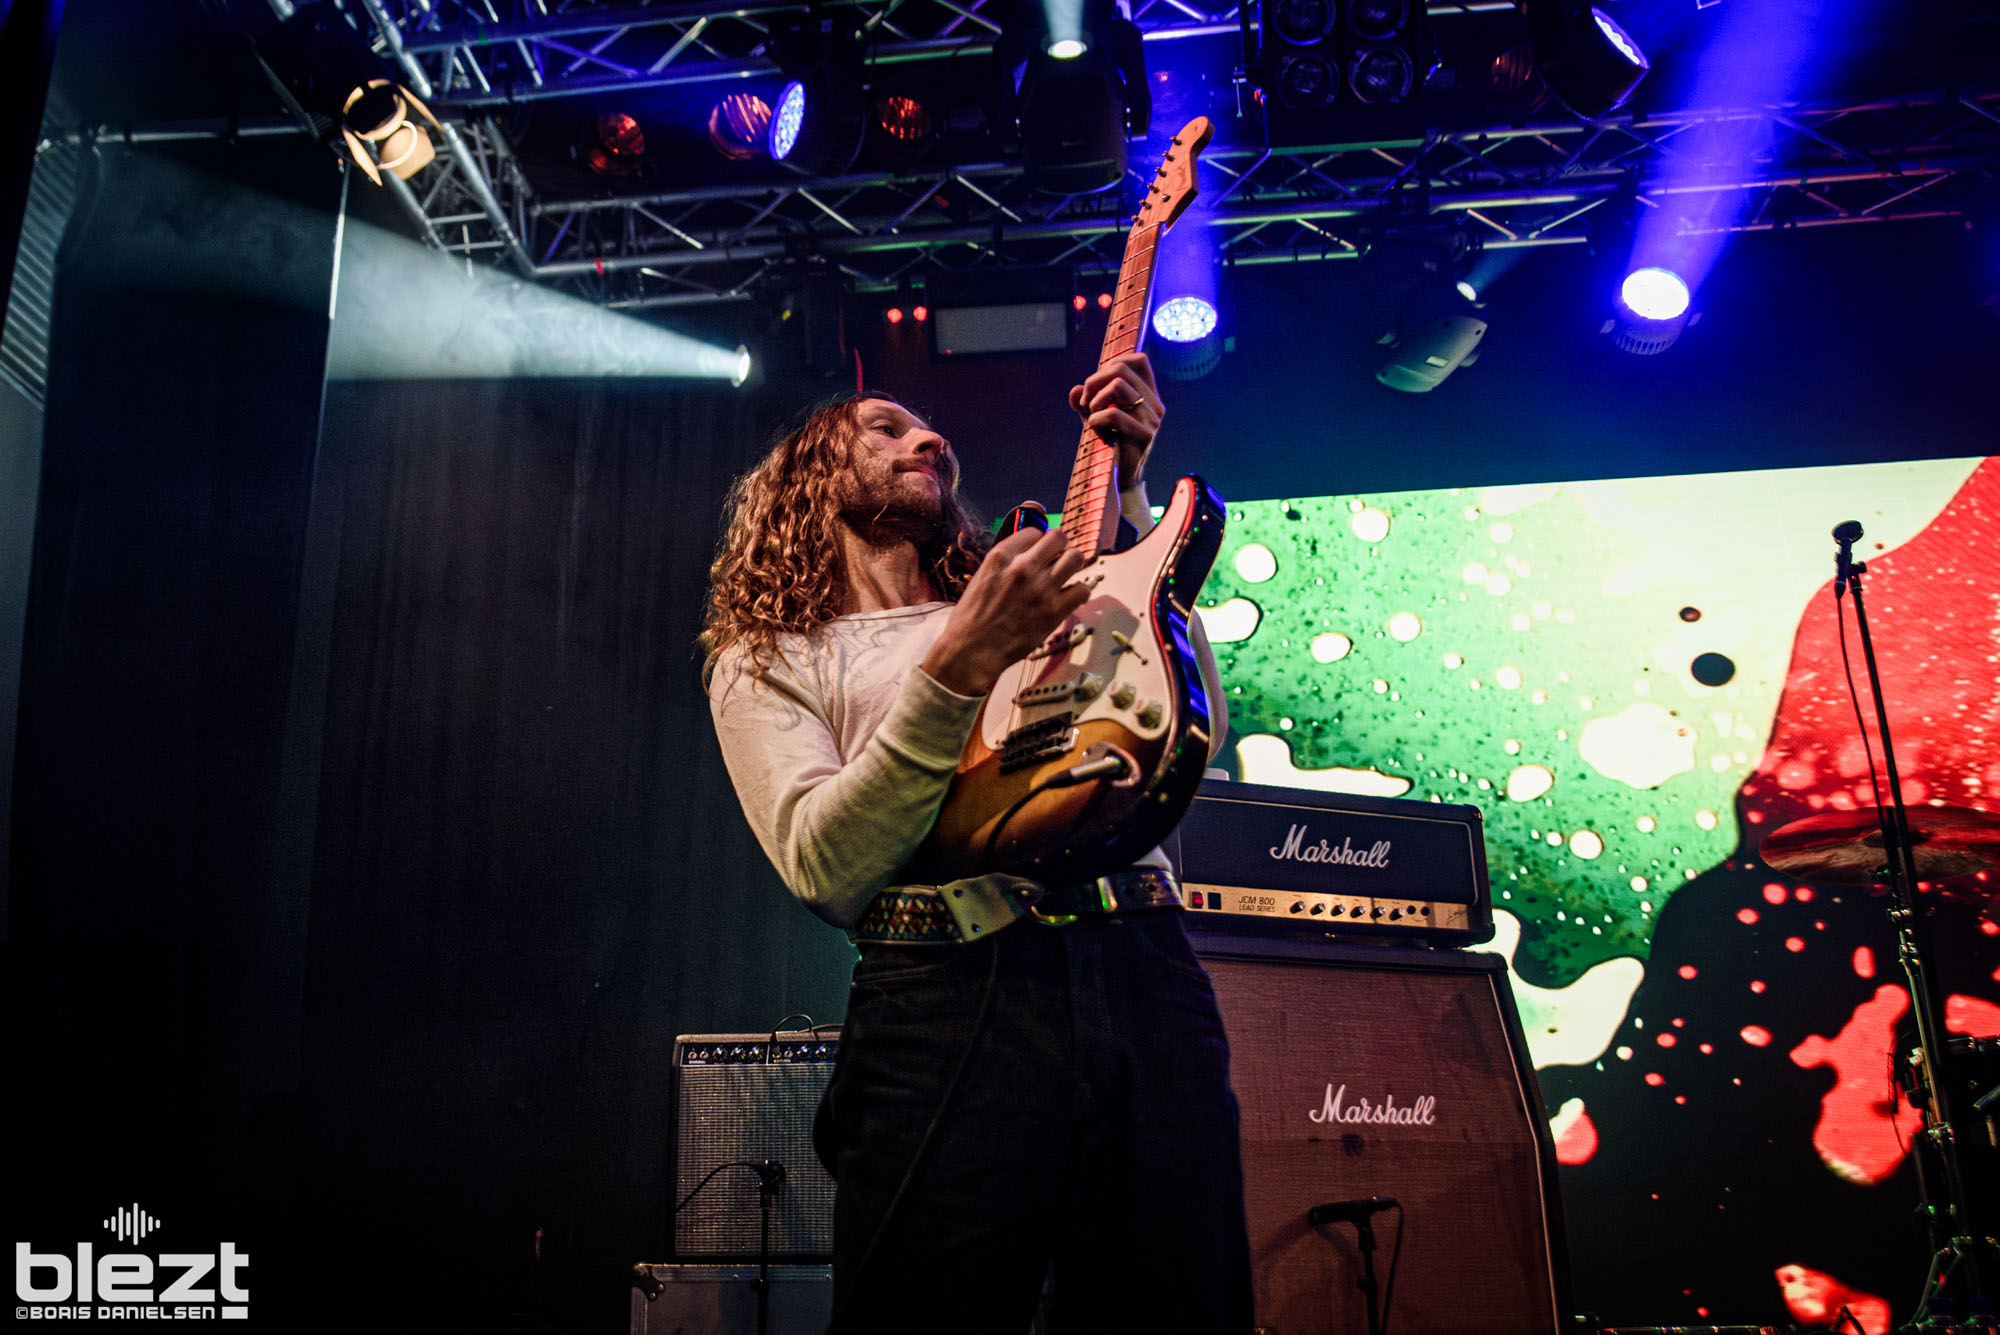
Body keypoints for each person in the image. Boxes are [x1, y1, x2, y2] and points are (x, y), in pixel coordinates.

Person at [702, 352, 1252, 1334]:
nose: (929, 438)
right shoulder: (772, 653)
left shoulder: (1032, 596)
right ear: (803, 481)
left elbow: (1176, 722)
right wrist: (957, 666)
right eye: (882, 427)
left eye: (930, 429)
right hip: (946, 993)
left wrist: (1128, 489)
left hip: (1144, 972)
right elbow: (822, 868)